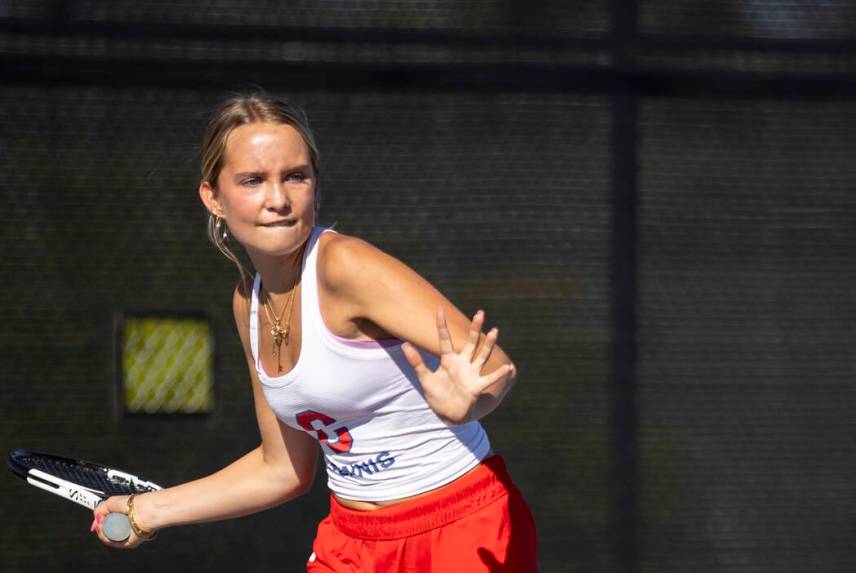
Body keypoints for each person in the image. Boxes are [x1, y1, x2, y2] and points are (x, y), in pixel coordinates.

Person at [92, 94, 538, 572]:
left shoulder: (346, 266)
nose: (278, 199)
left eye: (295, 176)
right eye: (253, 181)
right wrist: (146, 511)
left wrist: (474, 401)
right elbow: (282, 468)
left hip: (461, 525)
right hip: (351, 543)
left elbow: (494, 367)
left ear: (316, 188)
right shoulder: (248, 303)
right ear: (213, 198)